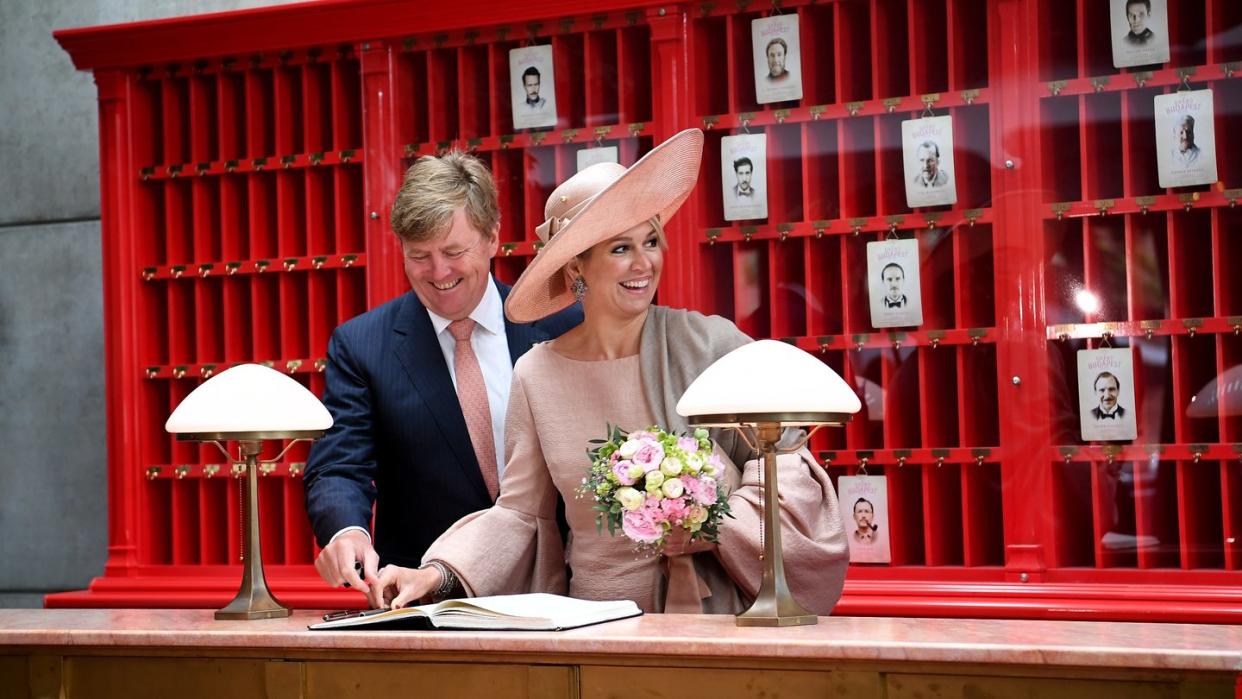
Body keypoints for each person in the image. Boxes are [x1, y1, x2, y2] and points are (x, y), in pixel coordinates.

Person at [368, 129, 848, 614]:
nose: (644, 263)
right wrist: (440, 573)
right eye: (620, 248)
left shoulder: (711, 345)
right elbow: (519, 514)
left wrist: (712, 521)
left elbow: (787, 462)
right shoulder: (536, 373)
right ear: (577, 268)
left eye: (651, 240)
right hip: (594, 628)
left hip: (715, 622)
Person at [303, 150, 580, 596]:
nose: (439, 272)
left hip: (561, 585)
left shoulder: (562, 325)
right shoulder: (362, 346)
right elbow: (340, 463)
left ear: (492, 237)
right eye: (419, 256)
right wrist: (346, 531)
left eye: (454, 251)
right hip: (425, 594)